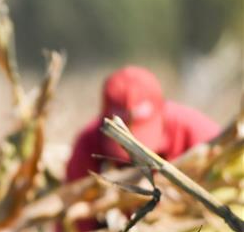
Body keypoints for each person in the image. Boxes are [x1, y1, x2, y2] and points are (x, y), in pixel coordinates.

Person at [66, 65, 220, 185]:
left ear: (161, 109)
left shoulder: (196, 131)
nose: (135, 157)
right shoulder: (87, 146)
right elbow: (75, 220)